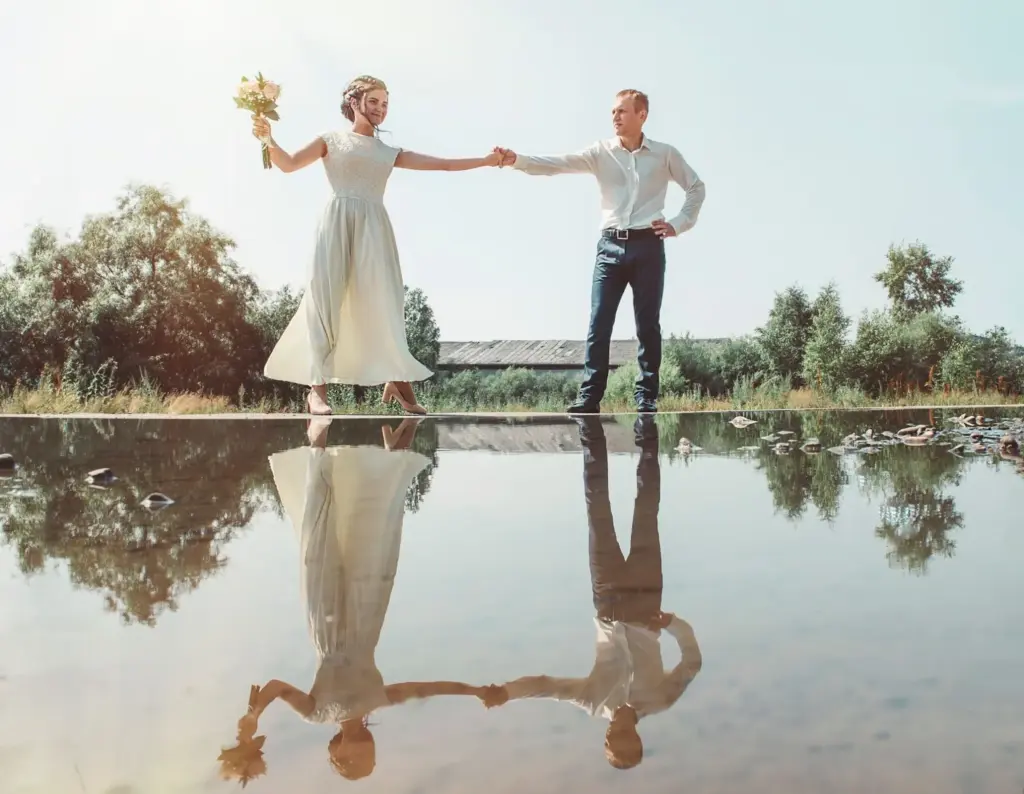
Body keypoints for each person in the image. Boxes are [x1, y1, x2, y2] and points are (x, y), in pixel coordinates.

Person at [219, 418, 503, 784]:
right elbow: (428, 688)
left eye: (350, 762)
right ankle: (392, 456)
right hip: (364, 622)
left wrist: (253, 715)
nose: (361, 755)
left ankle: (319, 441)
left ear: (335, 752)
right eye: (366, 760)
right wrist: (475, 690)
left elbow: (275, 686)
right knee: (373, 546)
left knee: (319, 545)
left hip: (325, 628)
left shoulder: (316, 713)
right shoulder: (374, 700)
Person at [254, 75, 503, 416]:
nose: (380, 109)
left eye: (385, 104)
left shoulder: (388, 152)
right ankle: (317, 391)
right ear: (353, 102)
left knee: (383, 303)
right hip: (336, 223)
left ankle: (397, 380)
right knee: (324, 301)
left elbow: (444, 165)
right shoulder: (330, 140)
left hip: (374, 228)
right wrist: (268, 138)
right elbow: (288, 164)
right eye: (373, 101)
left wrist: (486, 160)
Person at [486, 416, 702, 770]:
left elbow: (546, 686)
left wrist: (506, 692)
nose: (616, 734)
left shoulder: (592, 700)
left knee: (596, 509)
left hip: (608, 596)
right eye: (625, 739)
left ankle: (589, 428)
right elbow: (692, 663)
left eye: (612, 740)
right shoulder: (661, 700)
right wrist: (673, 624)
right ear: (636, 738)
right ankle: (646, 424)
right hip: (647, 600)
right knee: (646, 510)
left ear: (606, 739)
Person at [495, 90, 706, 414]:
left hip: (648, 246)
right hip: (609, 247)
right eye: (613, 112)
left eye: (622, 111)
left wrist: (678, 223)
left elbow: (695, 187)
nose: (615, 117)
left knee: (647, 325)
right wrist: (517, 160)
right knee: (599, 322)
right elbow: (557, 164)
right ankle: (590, 397)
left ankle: (646, 396)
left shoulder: (665, 154)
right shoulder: (600, 152)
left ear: (642, 115)